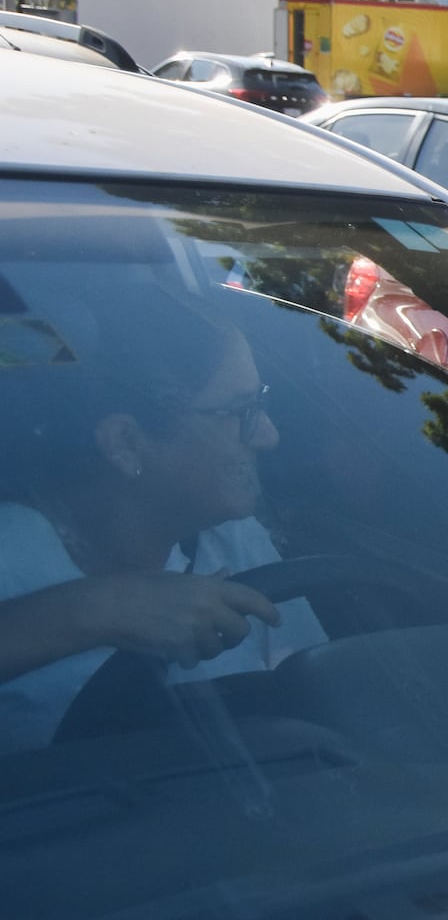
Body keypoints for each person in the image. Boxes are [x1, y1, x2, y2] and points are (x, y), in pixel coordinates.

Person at [0, 283, 324, 753]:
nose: (268, 436)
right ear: (126, 442)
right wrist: (100, 609)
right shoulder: (11, 555)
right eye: (241, 412)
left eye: (263, 404)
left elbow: (315, 684)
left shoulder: (232, 537)